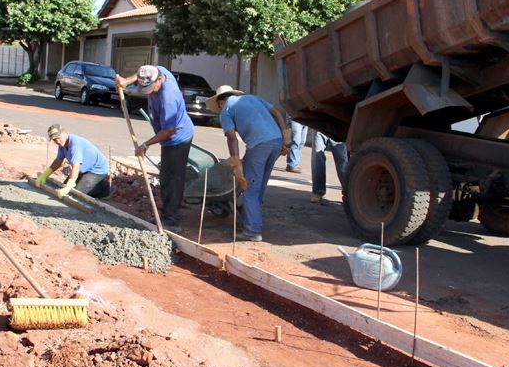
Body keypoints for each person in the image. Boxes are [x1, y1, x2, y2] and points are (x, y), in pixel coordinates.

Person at [206, 85, 290, 242]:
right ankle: (250, 220)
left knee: (249, 187)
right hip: (276, 141)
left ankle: (252, 230)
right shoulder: (252, 98)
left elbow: (231, 137)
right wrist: (286, 135)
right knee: (259, 185)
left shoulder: (226, 110)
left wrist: (235, 161)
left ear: (220, 102)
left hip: (259, 145)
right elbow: (277, 113)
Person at [115, 65, 194, 229]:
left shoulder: (168, 98)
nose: (149, 92)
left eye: (151, 88)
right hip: (167, 135)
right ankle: (167, 213)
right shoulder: (157, 71)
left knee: (172, 179)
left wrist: (145, 145)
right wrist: (125, 82)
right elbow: (141, 73)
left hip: (177, 138)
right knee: (165, 176)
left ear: (159, 80)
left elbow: (170, 130)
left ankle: (171, 221)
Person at [34, 124, 112, 199]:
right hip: (84, 169)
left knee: (75, 193)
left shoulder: (74, 144)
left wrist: (70, 184)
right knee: (64, 186)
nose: (57, 141)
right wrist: (45, 175)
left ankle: (103, 188)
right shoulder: (62, 145)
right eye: (54, 139)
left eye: (58, 137)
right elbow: (58, 161)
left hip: (97, 170)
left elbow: (76, 166)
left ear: (64, 133)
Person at [310, 130, 348, 204]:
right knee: (317, 158)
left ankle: (348, 192)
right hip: (319, 126)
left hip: (338, 127)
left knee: (342, 160)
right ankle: (318, 191)